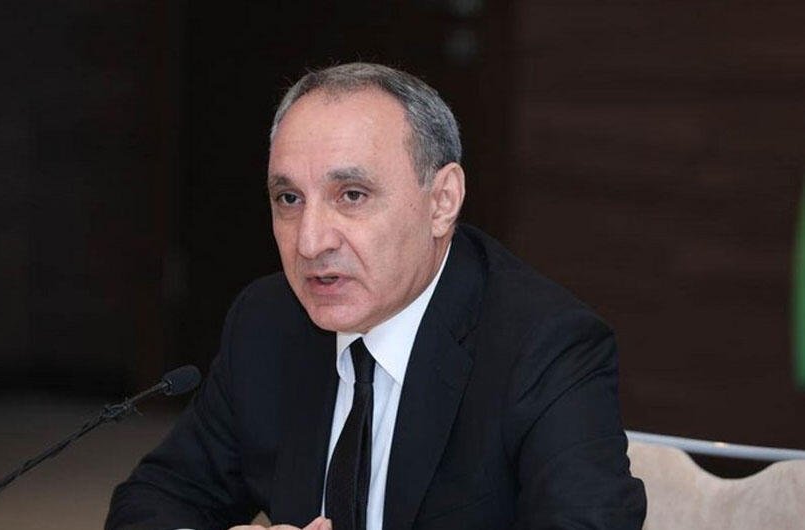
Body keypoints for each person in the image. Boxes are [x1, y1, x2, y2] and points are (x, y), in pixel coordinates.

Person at [105, 62, 646, 530]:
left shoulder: (544, 345)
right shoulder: (268, 321)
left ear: (442, 201)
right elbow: (153, 501)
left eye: (352, 195)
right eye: (289, 198)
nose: (311, 242)